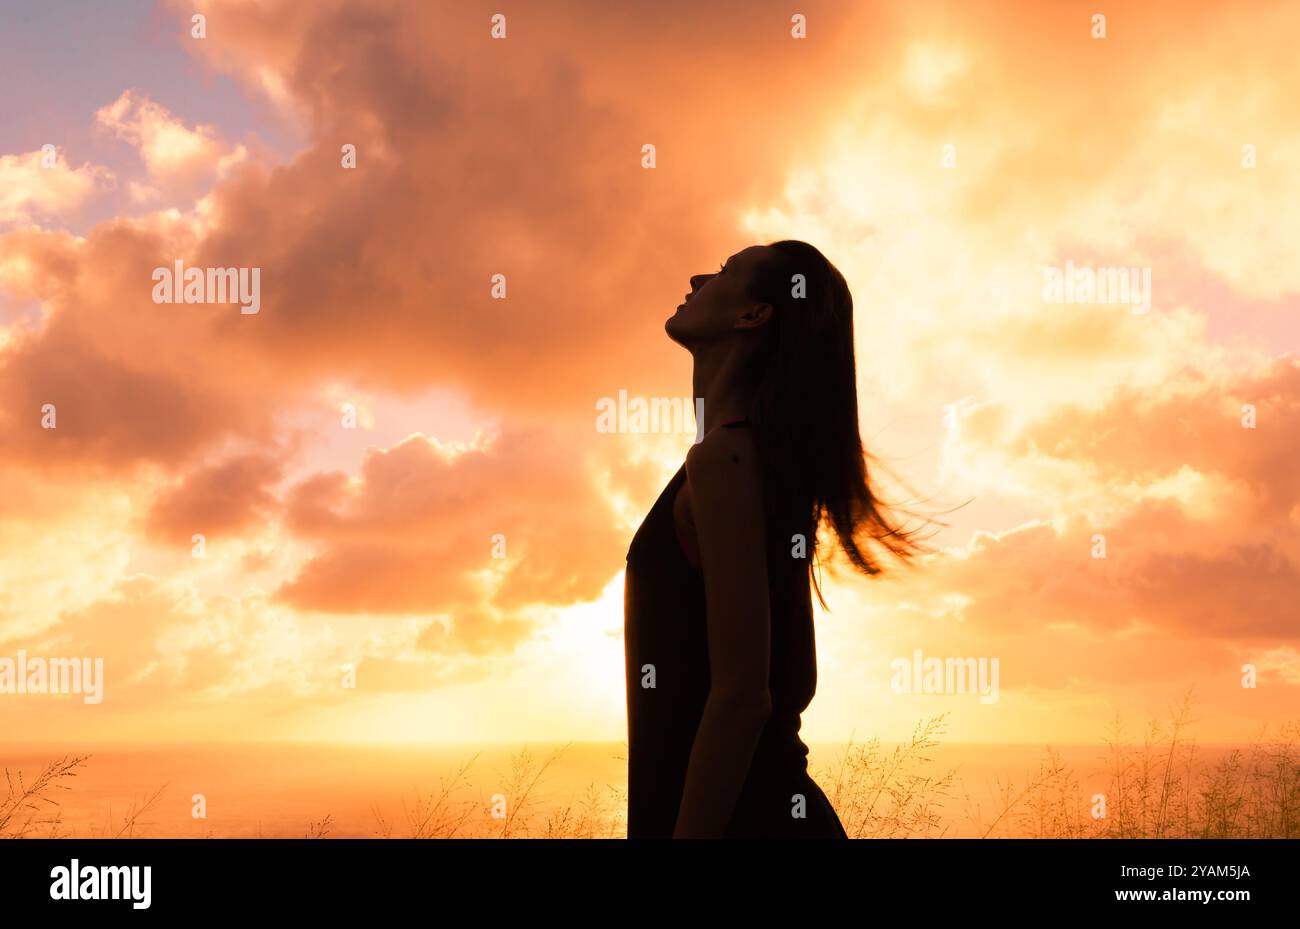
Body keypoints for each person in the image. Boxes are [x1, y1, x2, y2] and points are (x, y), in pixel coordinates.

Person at [624, 240, 929, 838]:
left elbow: (745, 698)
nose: (694, 274)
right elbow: (796, 677)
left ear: (752, 314)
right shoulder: (754, 463)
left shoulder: (726, 463)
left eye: (723, 271)